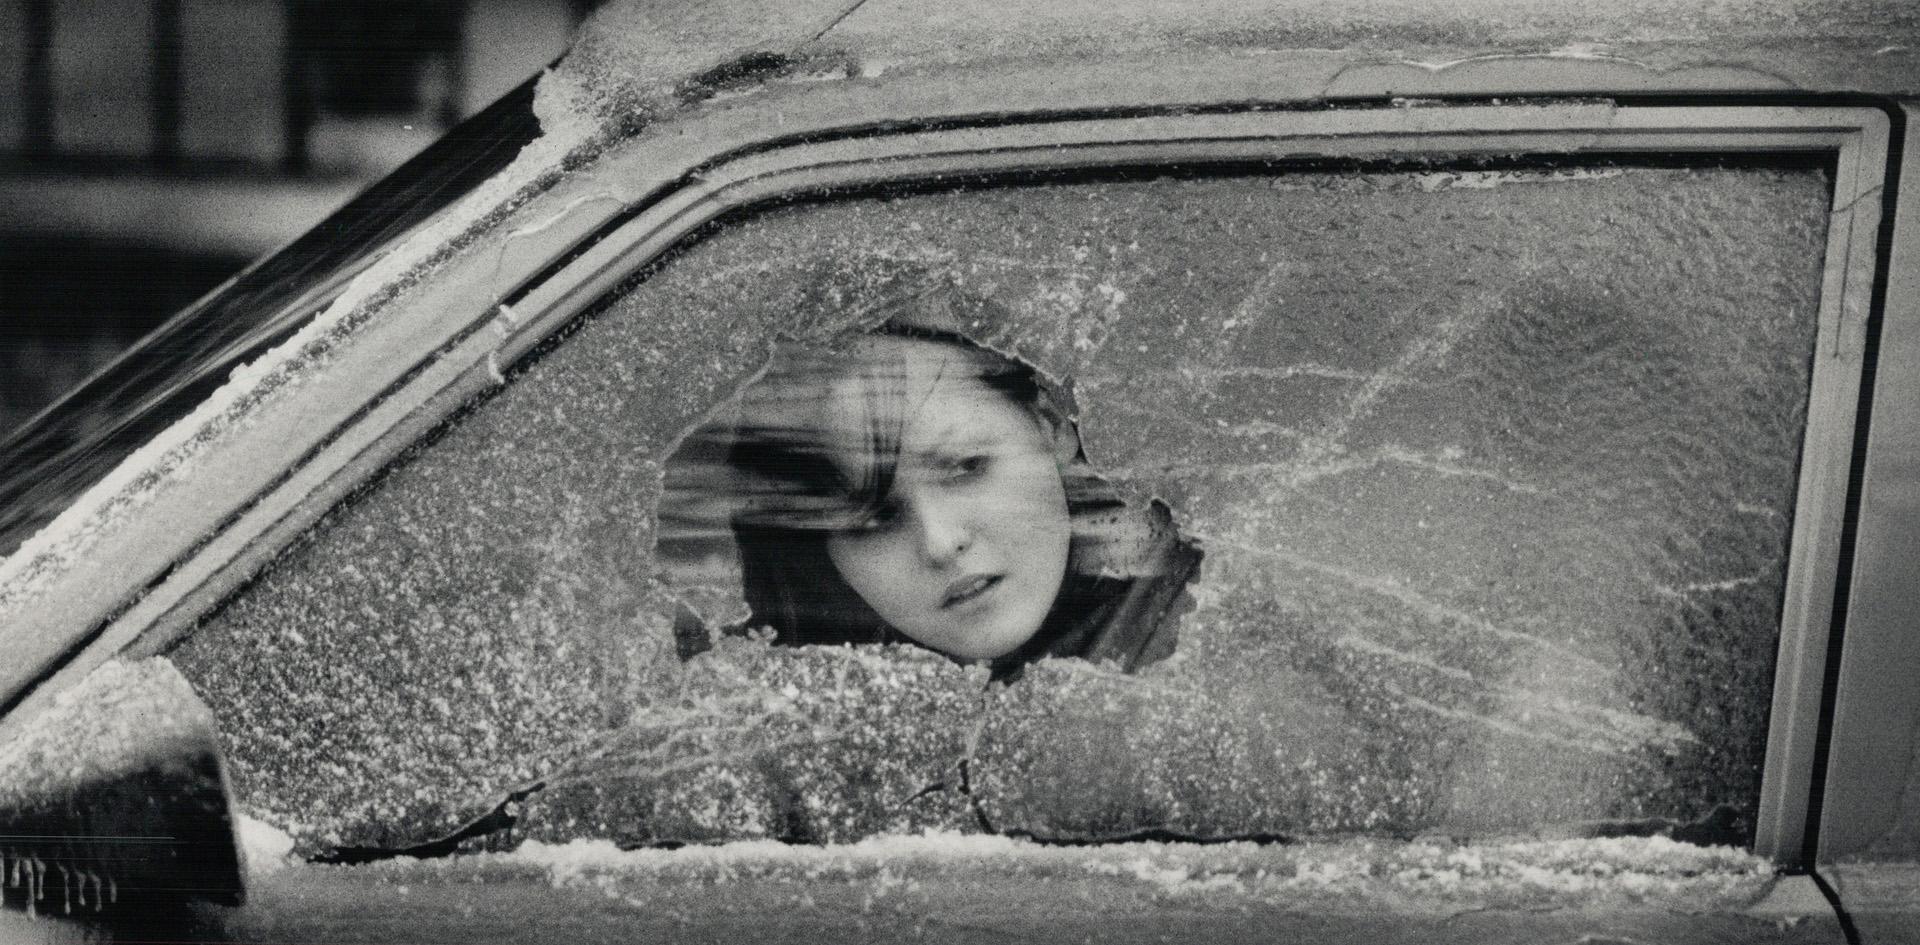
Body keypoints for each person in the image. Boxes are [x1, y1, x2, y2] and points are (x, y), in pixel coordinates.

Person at [660, 285, 1201, 679]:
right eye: (871, 519)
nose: (941, 543)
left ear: (1050, 427)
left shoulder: (1217, 645)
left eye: (966, 466)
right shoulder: (750, 708)